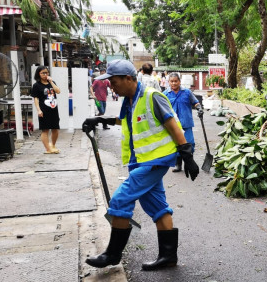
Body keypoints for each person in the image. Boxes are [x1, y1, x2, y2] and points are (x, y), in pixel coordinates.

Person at [82, 59, 199, 271]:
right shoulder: (130, 100)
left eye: (114, 81)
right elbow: (124, 121)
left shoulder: (152, 96)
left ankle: (112, 254)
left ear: (128, 78)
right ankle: (168, 257)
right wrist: (100, 120)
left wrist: (187, 154)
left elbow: (172, 123)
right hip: (140, 161)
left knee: (119, 201)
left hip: (155, 161)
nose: (111, 86)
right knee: (158, 208)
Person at [164, 72, 203, 172]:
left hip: (186, 122)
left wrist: (199, 108)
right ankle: (178, 164)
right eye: (171, 81)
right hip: (173, 125)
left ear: (179, 81)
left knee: (190, 143)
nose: (174, 83)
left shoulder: (187, 92)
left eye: (176, 81)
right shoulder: (165, 94)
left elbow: (195, 102)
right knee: (176, 145)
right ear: (168, 82)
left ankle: (189, 163)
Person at [31, 65, 61, 154]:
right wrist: (38, 110)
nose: (45, 74)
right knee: (45, 129)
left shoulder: (52, 82)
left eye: (46, 73)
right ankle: (48, 149)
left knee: (55, 128)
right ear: (38, 74)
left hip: (53, 109)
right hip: (44, 109)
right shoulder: (36, 85)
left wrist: (51, 82)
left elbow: (58, 91)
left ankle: (53, 145)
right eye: (43, 73)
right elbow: (35, 99)